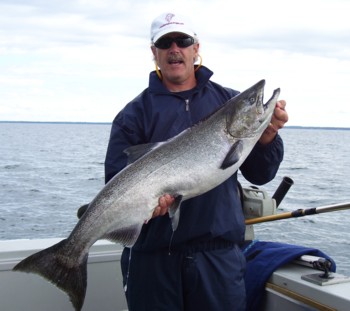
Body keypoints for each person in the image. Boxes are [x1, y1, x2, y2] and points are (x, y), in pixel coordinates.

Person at [104, 12, 288, 311]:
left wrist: (267, 137)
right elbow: (116, 180)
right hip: (152, 260)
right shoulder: (133, 115)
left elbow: (261, 174)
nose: (174, 48)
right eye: (165, 42)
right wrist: (146, 204)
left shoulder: (228, 101)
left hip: (217, 257)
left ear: (196, 48)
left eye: (183, 40)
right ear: (155, 52)